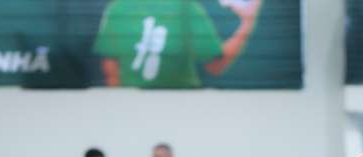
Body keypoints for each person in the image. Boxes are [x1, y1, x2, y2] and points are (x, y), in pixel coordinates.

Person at [94, 0, 263, 88]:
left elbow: (111, 73)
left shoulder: (187, 7)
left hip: (180, 106)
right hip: (170, 104)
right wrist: (248, 23)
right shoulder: (119, 7)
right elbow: (216, 65)